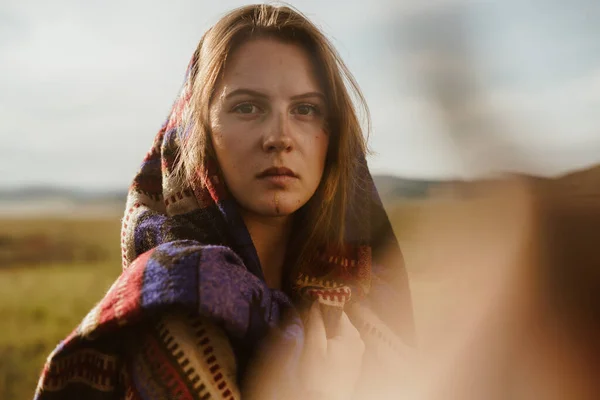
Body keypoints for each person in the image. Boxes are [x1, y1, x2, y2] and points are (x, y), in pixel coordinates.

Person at [34, 4, 414, 399]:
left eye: (306, 109)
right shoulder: (174, 306)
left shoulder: (359, 304)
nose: (280, 137)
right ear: (198, 134)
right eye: (247, 107)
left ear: (333, 135)